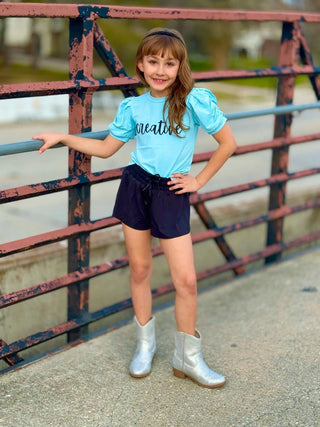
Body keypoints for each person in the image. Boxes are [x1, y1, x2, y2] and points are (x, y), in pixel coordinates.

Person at [33, 28, 237, 389]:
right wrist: (63, 137)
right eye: (153, 61)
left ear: (179, 66)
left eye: (169, 63)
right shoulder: (134, 107)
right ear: (141, 64)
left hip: (171, 191)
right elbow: (108, 148)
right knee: (140, 270)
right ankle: (145, 346)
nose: (160, 70)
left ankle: (187, 358)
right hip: (135, 186)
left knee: (186, 281)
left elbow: (227, 143)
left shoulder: (194, 100)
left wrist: (198, 181)